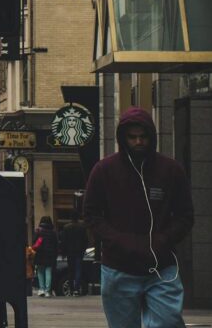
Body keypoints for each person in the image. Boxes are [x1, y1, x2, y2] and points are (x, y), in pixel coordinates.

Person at [84, 106, 194, 328]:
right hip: (118, 267)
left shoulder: (170, 170)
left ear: (151, 137)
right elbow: (91, 214)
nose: (138, 142)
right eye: (132, 137)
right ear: (123, 138)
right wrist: (117, 240)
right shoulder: (104, 170)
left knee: (168, 322)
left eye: (143, 137)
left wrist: (163, 240)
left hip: (161, 266)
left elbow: (185, 215)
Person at [61, 212, 90, 296]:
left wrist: (64, 252)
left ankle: (71, 289)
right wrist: (83, 250)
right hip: (79, 252)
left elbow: (64, 241)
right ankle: (76, 289)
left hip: (70, 252)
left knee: (71, 271)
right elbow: (85, 240)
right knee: (78, 270)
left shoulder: (66, 227)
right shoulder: (82, 227)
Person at [31, 216, 59, 297]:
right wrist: (55, 255)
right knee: (48, 271)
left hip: (40, 255)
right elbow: (56, 245)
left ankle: (41, 289)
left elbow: (34, 242)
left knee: (40, 272)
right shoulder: (53, 233)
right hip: (50, 255)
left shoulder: (38, 231)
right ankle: (47, 291)